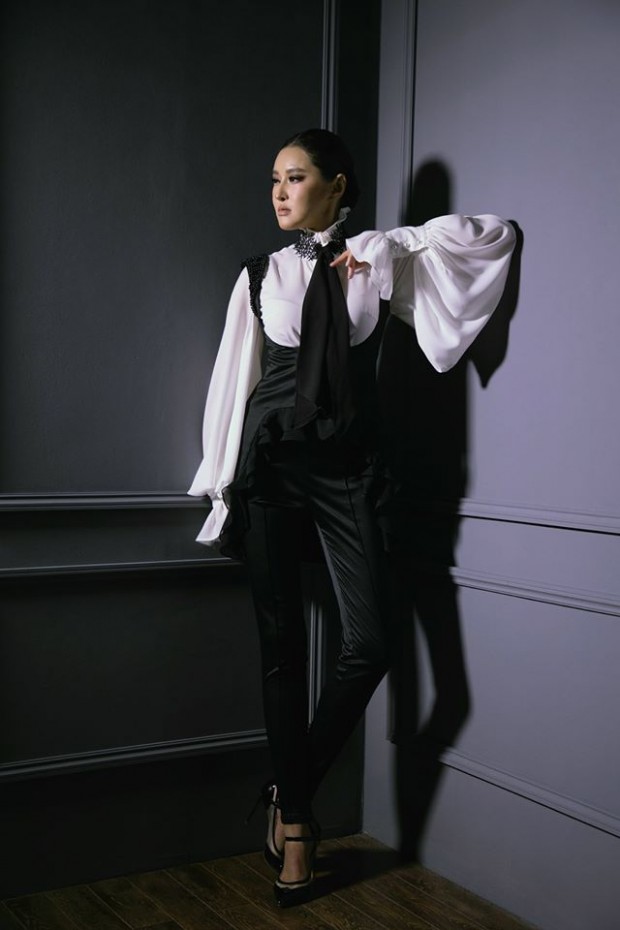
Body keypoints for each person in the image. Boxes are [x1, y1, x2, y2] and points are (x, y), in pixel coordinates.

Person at [188, 128, 516, 906]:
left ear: (336, 186)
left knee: (369, 647)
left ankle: (285, 788)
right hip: (272, 468)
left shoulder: (377, 258)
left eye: (296, 177)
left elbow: (491, 239)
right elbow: (233, 381)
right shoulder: (260, 274)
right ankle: (300, 828)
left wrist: (391, 243)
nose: (279, 192)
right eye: (274, 178)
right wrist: (222, 483)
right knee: (281, 654)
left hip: (350, 471)